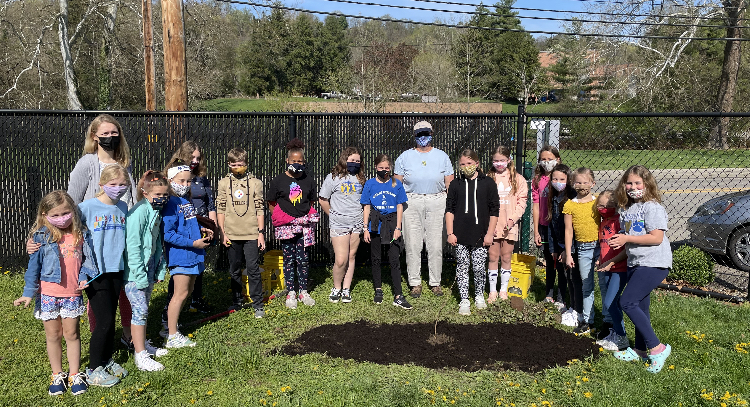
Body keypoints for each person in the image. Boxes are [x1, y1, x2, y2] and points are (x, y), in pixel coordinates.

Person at [13, 191, 96, 396]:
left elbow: (88, 260)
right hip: (48, 294)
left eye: (65, 213)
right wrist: (28, 293)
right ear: (45, 214)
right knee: (53, 335)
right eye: (56, 215)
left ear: (73, 212)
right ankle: (57, 373)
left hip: (72, 294)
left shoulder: (81, 233)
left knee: (72, 334)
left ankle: (75, 374)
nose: (61, 218)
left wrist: (85, 275)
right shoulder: (41, 236)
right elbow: (33, 268)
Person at [66, 113, 135, 351]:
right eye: (104, 134)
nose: (110, 137)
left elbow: (131, 197)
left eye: (114, 133)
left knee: (127, 289)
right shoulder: (87, 163)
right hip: (97, 240)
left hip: (123, 235)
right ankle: (100, 340)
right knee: (98, 294)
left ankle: (129, 335)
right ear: (94, 137)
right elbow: (72, 202)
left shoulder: (125, 162)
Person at [609, 165, 673, 373]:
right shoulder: (626, 210)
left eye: (638, 183)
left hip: (654, 263)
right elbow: (630, 244)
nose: (633, 187)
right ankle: (639, 350)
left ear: (647, 185)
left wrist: (626, 238)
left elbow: (656, 237)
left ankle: (657, 348)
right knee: (640, 308)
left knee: (627, 302)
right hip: (636, 263)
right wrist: (614, 259)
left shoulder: (652, 207)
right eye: (629, 183)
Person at [78, 164, 131, 386]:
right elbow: (66, 232)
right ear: (101, 184)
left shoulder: (123, 207)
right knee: (104, 320)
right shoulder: (86, 207)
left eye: (122, 185)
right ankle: (92, 369)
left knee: (111, 316)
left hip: (116, 268)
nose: (117, 188)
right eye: (112, 184)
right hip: (94, 272)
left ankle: (106, 360)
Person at [394, 121, 454, 298]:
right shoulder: (404, 157)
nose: (423, 137)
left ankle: (435, 282)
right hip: (411, 201)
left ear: (431, 134)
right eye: (419, 134)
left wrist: (450, 206)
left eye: (425, 133)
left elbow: (449, 183)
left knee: (435, 244)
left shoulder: (442, 156)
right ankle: (415, 282)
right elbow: (397, 184)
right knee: (413, 243)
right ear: (414, 136)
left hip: (437, 200)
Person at [162, 161, 213, 348]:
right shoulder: (170, 203)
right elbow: (168, 233)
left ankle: (171, 327)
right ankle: (172, 334)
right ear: (170, 180)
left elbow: (188, 224)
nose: (185, 185)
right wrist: (193, 242)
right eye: (181, 181)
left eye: (188, 181)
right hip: (181, 255)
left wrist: (203, 230)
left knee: (187, 292)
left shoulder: (185, 201)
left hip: (193, 254)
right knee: (180, 293)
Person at [123, 171, 170, 371]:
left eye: (164, 195)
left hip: (150, 266)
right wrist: (139, 275)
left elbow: (158, 243)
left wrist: (159, 269)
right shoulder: (138, 213)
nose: (161, 199)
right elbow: (133, 246)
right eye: (157, 195)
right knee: (140, 311)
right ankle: (140, 354)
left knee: (144, 308)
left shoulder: (155, 211)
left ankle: (143, 344)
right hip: (136, 272)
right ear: (145, 192)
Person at [267, 138, 319, 309]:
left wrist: (301, 217)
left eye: (300, 161)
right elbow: (271, 202)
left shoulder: (308, 180)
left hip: (304, 225)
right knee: (289, 259)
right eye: (294, 161)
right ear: (287, 161)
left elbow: (311, 202)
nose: (297, 163)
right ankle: (291, 292)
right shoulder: (278, 181)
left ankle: (303, 290)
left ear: (304, 162)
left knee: (303, 258)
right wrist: (283, 218)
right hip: (286, 226)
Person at [165, 141, 216, 314]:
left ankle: (195, 300)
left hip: (196, 225)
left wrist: (209, 227)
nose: (195, 160)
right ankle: (170, 312)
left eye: (198, 157)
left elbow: (210, 203)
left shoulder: (201, 178)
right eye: (192, 157)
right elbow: (168, 231)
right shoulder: (173, 193)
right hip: (183, 233)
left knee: (197, 267)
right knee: (180, 277)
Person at [446, 150, 499, 315]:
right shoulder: (456, 184)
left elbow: (494, 210)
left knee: (478, 267)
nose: (466, 167)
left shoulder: (488, 183)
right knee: (462, 266)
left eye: (469, 163)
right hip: (460, 235)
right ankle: (463, 299)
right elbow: (449, 210)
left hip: (481, 235)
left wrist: (490, 233)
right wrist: (450, 232)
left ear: (477, 163)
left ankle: (479, 296)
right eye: (462, 164)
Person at [217, 148, 266, 317]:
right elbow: (220, 208)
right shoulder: (223, 183)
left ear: (246, 164)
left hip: (251, 233)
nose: (237, 167)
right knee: (234, 268)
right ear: (229, 164)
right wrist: (222, 232)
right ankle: (236, 300)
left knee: (253, 268)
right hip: (231, 233)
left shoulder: (255, 183)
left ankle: (257, 303)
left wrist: (260, 233)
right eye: (234, 164)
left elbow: (260, 208)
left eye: (241, 164)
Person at [361, 154, 412, 309]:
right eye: (381, 168)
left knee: (394, 259)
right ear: (376, 167)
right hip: (375, 224)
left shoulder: (396, 184)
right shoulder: (370, 184)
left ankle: (398, 295)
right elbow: (366, 206)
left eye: (387, 168)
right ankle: (378, 289)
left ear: (390, 168)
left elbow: (400, 206)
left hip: (391, 224)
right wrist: (365, 228)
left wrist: (398, 228)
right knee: (375, 258)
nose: (384, 170)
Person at [319, 147, 365, 303]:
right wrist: (332, 214)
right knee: (340, 260)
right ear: (344, 160)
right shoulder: (333, 178)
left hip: (357, 223)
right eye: (352, 160)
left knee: (351, 256)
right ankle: (336, 288)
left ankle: (346, 289)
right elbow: (323, 199)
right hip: (339, 224)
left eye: (357, 161)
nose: (355, 163)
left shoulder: (360, 178)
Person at [486, 145, 527, 302]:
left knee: (506, 257)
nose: (499, 163)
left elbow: (522, 202)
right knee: (492, 256)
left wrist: (513, 219)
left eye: (502, 160)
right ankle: (492, 291)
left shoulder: (518, 179)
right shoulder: (488, 178)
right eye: (496, 160)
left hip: (509, 225)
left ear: (509, 160)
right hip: (492, 225)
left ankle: (503, 290)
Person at [563, 167, 600, 335]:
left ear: (593, 183)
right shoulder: (570, 205)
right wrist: (569, 253)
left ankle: (607, 321)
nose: (582, 185)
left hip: (601, 246)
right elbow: (568, 230)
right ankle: (587, 320)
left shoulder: (598, 201)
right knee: (587, 284)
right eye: (578, 182)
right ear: (573, 183)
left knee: (605, 285)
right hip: (583, 249)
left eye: (585, 182)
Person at [593, 190, 629, 351]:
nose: (604, 208)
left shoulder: (619, 221)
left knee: (610, 302)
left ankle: (621, 336)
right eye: (600, 205)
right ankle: (615, 331)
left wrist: (611, 262)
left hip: (619, 268)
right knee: (609, 298)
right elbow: (604, 245)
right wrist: (600, 259)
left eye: (608, 206)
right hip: (606, 266)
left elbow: (625, 248)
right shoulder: (604, 222)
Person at [547, 164, 580, 326]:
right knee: (564, 273)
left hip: (571, 246)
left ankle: (576, 309)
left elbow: (572, 229)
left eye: (561, 179)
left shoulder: (571, 198)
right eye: (554, 179)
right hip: (560, 244)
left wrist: (568, 250)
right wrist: (554, 249)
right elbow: (552, 225)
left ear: (569, 180)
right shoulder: (553, 197)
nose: (557, 182)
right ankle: (565, 302)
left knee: (573, 277)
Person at [533, 146, 565, 305]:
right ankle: (549, 293)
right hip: (544, 226)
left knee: (561, 260)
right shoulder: (537, 179)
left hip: (558, 227)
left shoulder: (561, 179)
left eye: (550, 159)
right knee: (549, 259)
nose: (546, 162)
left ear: (558, 159)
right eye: (543, 159)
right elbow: (536, 205)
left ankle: (561, 294)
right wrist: (536, 230)